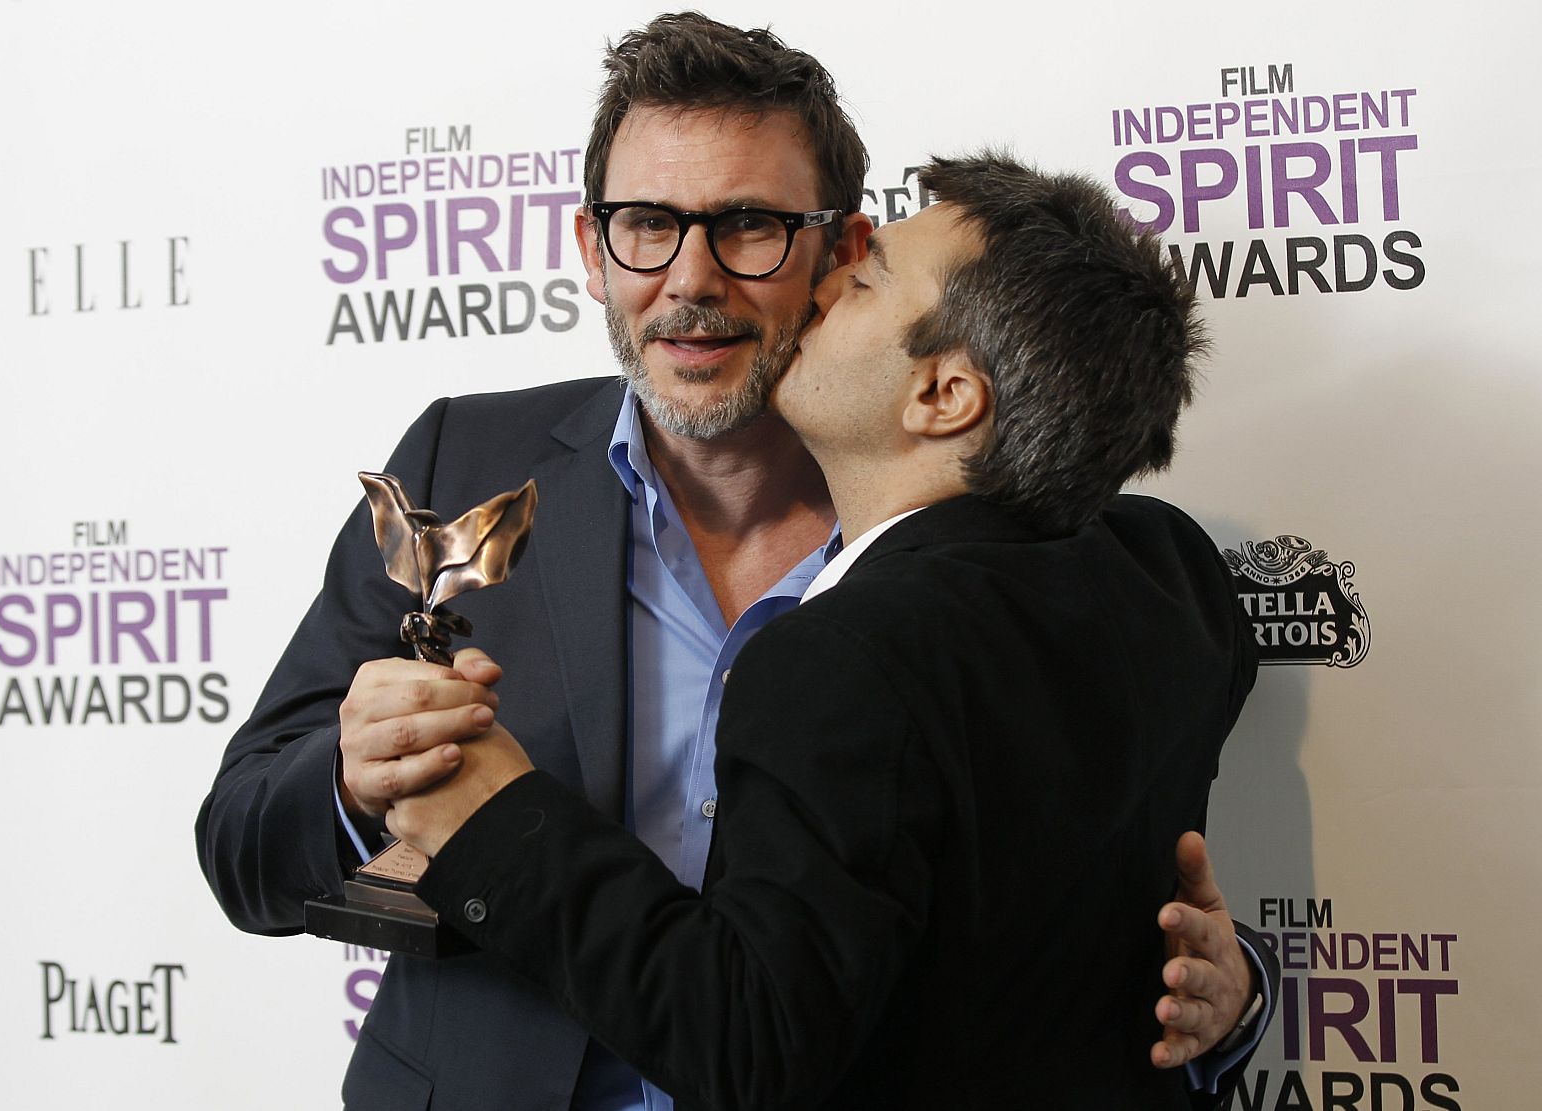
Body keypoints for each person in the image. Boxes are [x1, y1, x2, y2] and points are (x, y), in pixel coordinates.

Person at [195, 13, 1271, 1109]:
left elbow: (1060, 894)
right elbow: (240, 840)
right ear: (588, 247)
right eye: (644, 224)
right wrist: (349, 780)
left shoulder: (1080, 560)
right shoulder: (459, 459)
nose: (690, 278)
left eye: (748, 224)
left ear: (840, 250)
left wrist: (1221, 995)